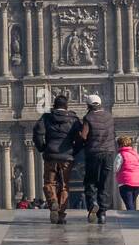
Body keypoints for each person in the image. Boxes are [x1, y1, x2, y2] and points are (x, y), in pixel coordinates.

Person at [32, 93, 83, 224]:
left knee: (49, 182)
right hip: (67, 156)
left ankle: (53, 202)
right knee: (65, 185)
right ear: (66, 106)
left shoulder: (47, 117)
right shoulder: (74, 119)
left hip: (51, 155)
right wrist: (74, 151)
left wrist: (42, 147)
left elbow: (38, 132)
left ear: (54, 105)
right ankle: (61, 214)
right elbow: (80, 137)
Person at [77, 93, 116, 224]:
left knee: (91, 181)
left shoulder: (88, 117)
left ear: (89, 106)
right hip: (109, 153)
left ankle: (92, 204)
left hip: (94, 153)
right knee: (105, 182)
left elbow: (83, 136)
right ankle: (103, 213)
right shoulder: (109, 116)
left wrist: (79, 136)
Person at [115, 137, 139, 210]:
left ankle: (132, 220)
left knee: (129, 204)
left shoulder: (120, 155)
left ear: (119, 145)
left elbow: (116, 168)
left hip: (126, 183)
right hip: (138, 183)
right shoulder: (135, 154)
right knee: (131, 202)